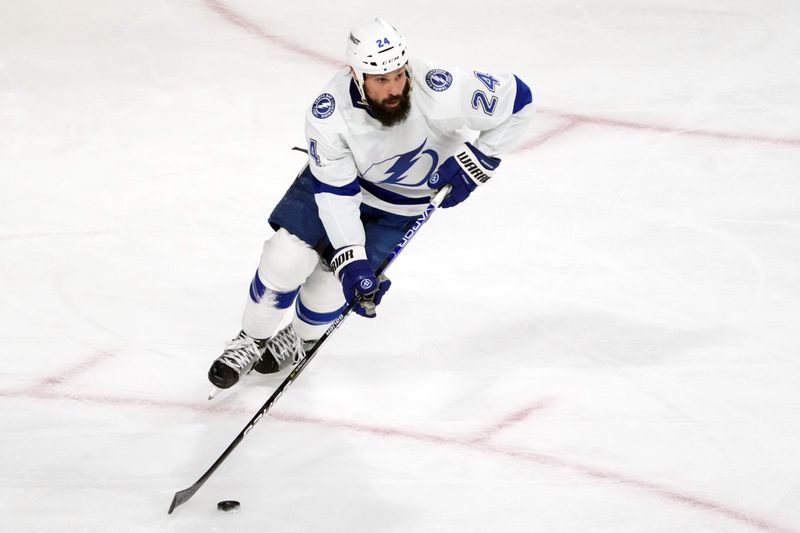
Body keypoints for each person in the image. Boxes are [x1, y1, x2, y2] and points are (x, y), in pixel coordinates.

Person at [207, 17, 534, 392]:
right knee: (287, 257)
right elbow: (335, 195)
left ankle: (301, 338)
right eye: (381, 80)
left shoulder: (442, 89)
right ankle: (251, 337)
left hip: (403, 205)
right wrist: (351, 255)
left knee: (331, 287)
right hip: (344, 187)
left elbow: (518, 100)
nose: (394, 88)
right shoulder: (330, 114)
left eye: (398, 75)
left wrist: (481, 159)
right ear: (356, 75)